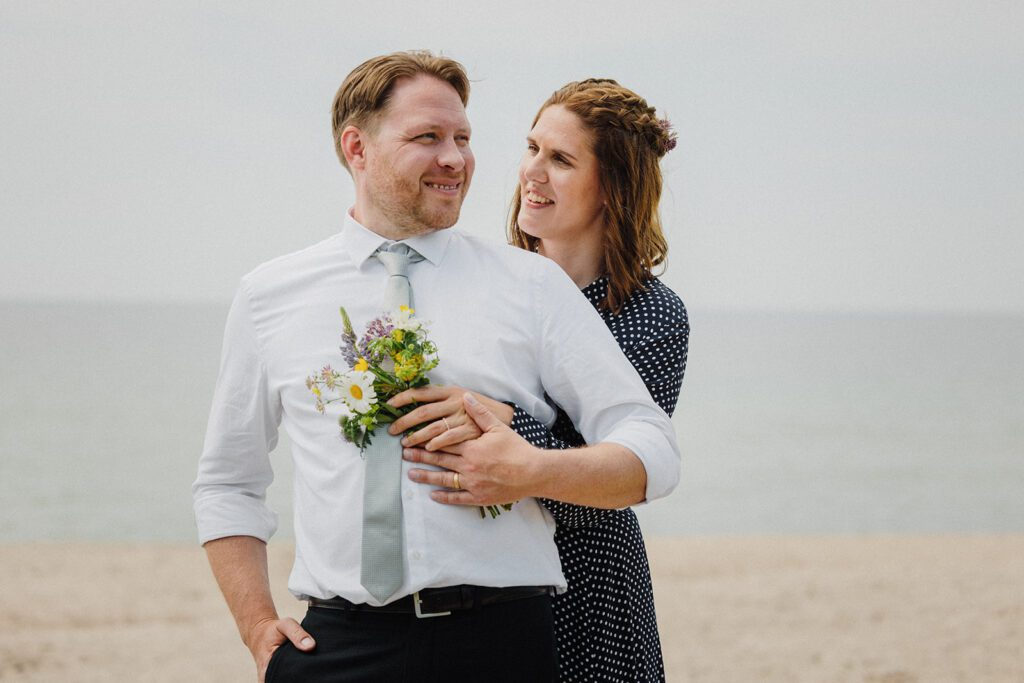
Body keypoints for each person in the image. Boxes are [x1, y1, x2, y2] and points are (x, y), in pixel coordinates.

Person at [192, 51, 680, 683]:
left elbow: (654, 451)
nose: (456, 158)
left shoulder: (531, 286)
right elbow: (228, 483)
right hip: (337, 647)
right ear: (356, 148)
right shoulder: (269, 296)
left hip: (505, 646)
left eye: (464, 139)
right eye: (428, 137)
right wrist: (258, 628)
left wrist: (532, 468)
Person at [392, 79, 688, 681]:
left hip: (587, 587)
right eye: (532, 148)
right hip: (472, 587)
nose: (533, 172)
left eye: (561, 159)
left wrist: (504, 417)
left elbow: (608, 477)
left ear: (612, 187)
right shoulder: (487, 285)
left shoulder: (650, 314)